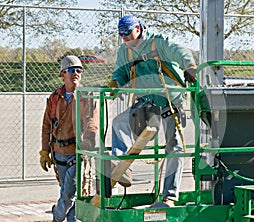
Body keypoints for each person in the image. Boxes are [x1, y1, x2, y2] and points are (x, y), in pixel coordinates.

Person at [110, 14, 197, 206]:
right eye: (121, 34)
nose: (124, 37)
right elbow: (121, 72)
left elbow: (179, 51)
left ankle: (169, 196)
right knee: (119, 123)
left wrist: (190, 67)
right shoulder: (125, 51)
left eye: (127, 33)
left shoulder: (158, 43)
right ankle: (120, 165)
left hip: (170, 102)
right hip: (147, 103)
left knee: (174, 147)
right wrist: (114, 83)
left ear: (138, 29)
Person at [39, 55, 98, 222]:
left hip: (76, 153)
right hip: (58, 153)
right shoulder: (55, 98)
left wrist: (89, 143)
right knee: (68, 194)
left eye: (79, 70)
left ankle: (57, 218)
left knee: (68, 195)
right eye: (71, 70)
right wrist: (44, 151)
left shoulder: (86, 97)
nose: (76, 73)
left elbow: (91, 123)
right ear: (62, 74)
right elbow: (46, 126)